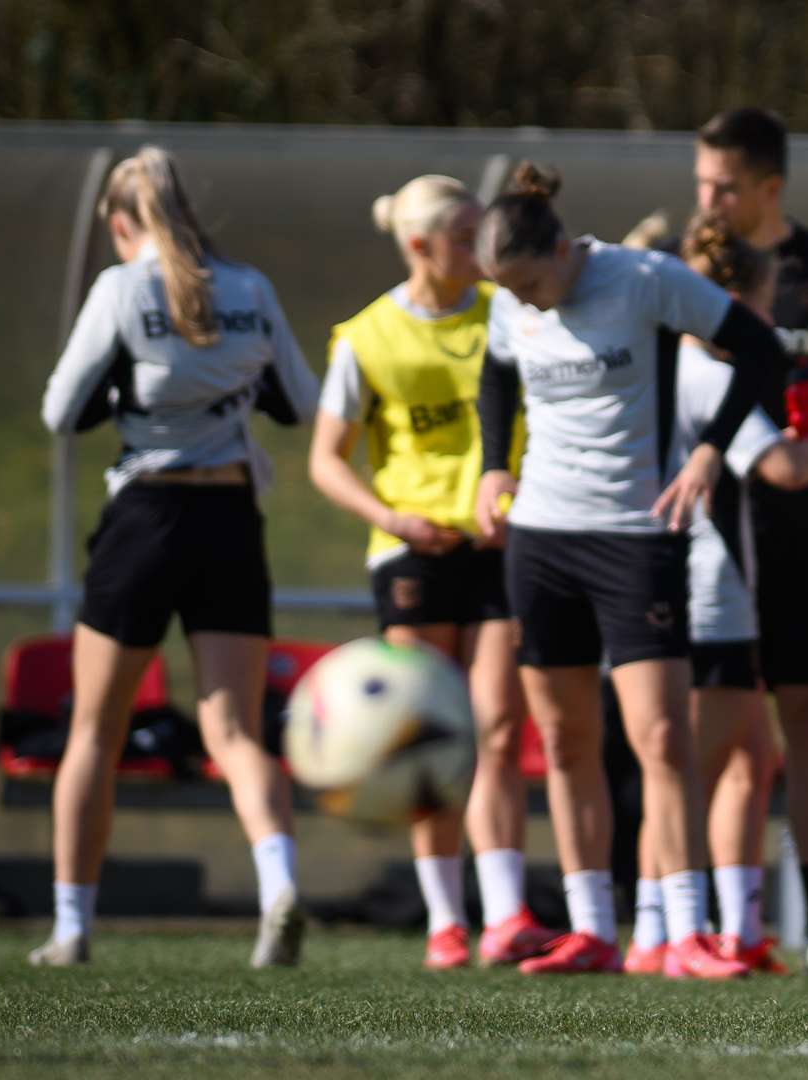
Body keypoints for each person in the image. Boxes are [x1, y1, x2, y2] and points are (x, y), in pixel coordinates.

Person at [471, 163, 784, 979]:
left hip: (635, 538)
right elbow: (496, 374)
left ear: (561, 251)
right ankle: (592, 931)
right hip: (541, 539)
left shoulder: (643, 279)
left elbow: (757, 348)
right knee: (568, 739)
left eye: (531, 283)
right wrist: (491, 468)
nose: (527, 301)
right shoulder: (512, 302)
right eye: (509, 289)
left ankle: (682, 933)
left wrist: (712, 445)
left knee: (661, 738)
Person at [35, 145, 321, 968]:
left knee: (95, 730)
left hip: (147, 519)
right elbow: (300, 403)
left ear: (121, 224)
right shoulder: (252, 288)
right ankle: (279, 890)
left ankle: (71, 928)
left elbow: (62, 410)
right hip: (230, 515)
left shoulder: (122, 287)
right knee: (232, 730)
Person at [308, 174, 561, 971]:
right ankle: (445, 922)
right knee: (423, 733)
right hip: (414, 552)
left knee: (494, 726)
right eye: (462, 239)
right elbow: (325, 460)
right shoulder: (367, 336)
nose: (479, 252)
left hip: (499, 544)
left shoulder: (508, 312)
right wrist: (392, 519)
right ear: (420, 246)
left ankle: (507, 913)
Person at [624, 211, 808, 976]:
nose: (766, 319)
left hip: (717, 582)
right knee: (705, 761)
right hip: (707, 581)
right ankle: (658, 933)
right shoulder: (706, 368)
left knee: (742, 756)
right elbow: (781, 466)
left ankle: (733, 927)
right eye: (761, 302)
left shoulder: (664, 362)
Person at [695, 108, 808, 971]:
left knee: (806, 718)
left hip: (805, 533)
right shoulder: (682, 274)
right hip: (706, 538)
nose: (710, 199)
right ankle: (709, 922)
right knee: (718, 736)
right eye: (702, 182)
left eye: (725, 185)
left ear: (770, 186)